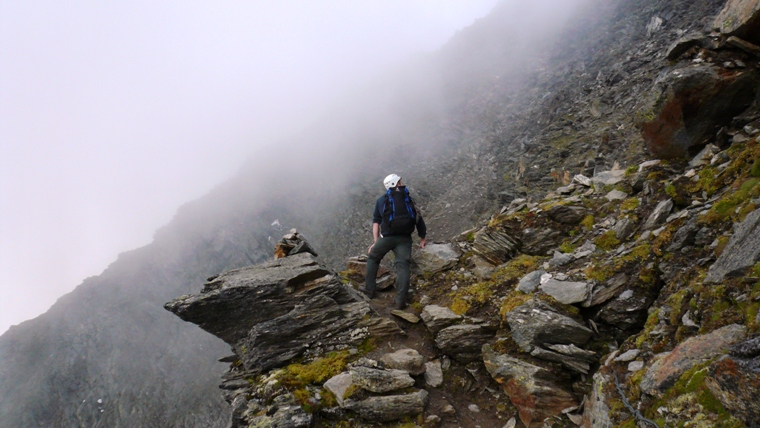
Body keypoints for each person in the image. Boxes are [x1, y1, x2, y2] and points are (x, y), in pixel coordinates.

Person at [361, 174, 427, 309]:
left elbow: (376, 222)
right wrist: (422, 238)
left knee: (373, 257)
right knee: (402, 267)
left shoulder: (381, 200)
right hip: (405, 238)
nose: (402, 182)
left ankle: (369, 290)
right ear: (395, 184)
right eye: (399, 181)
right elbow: (418, 219)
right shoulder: (408, 199)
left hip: (387, 237)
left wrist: (376, 242)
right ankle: (400, 301)